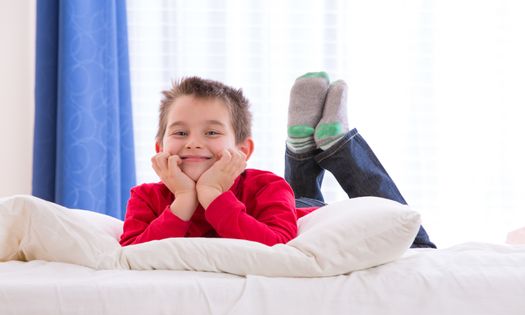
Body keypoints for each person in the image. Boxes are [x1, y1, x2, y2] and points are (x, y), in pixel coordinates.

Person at [119, 74, 436, 248]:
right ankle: (302, 148)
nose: (193, 142)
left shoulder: (267, 185)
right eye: (181, 132)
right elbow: (133, 252)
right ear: (160, 146)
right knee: (291, 194)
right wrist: (185, 200)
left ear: (242, 151)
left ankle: (338, 145)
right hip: (281, 205)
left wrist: (214, 196)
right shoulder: (145, 197)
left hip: (295, 208)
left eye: (212, 132)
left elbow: (277, 244)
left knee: (417, 245)